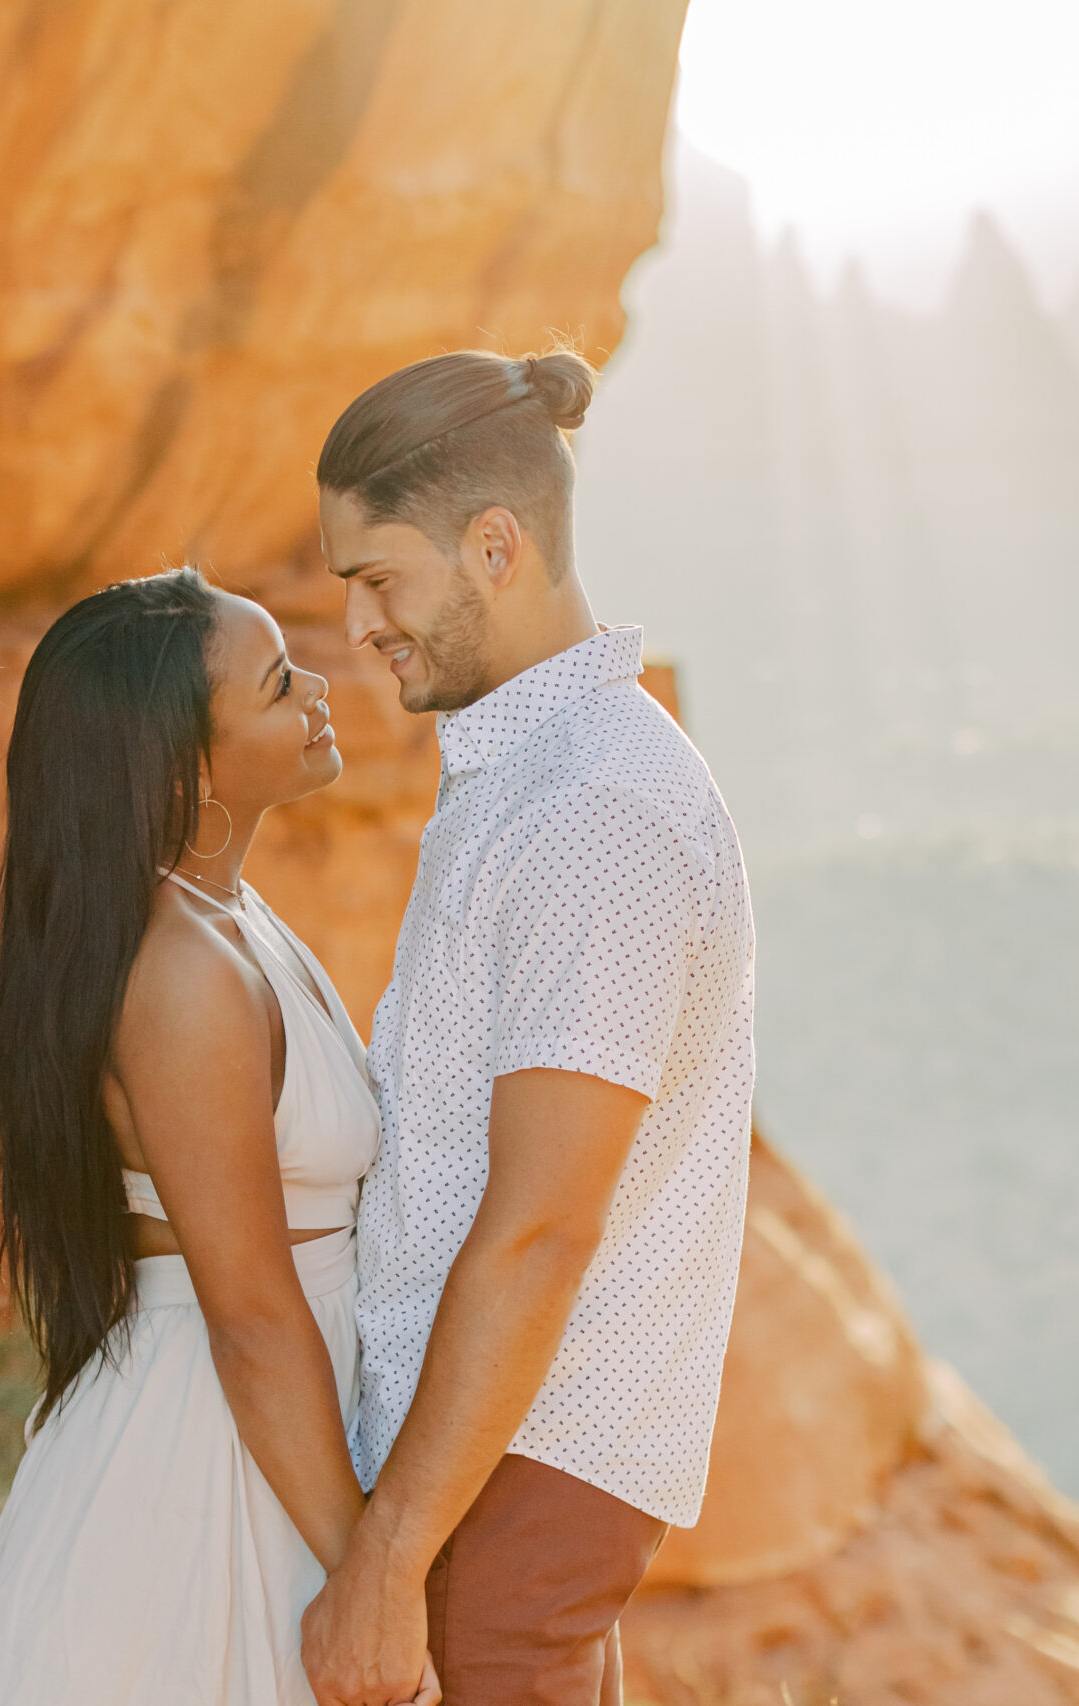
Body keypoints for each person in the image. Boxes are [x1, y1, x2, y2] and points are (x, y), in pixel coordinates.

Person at [301, 350, 757, 1706]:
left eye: (377, 578)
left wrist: (390, 1554)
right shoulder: (532, 777)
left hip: (508, 1478)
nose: (359, 626)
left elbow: (544, 1223)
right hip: (490, 1475)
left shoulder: (591, 813)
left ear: (493, 546)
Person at [0, 568, 439, 1706]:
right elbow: (253, 1313)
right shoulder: (181, 976)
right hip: (210, 1466)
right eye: (274, 685)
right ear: (184, 765)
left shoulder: (229, 918)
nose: (315, 685)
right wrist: (366, 1572)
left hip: (270, 1436)